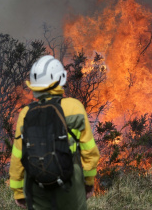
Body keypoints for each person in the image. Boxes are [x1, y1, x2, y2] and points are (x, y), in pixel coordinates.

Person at [9, 55, 100, 210]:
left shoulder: (25, 114)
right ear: (61, 80)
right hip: (70, 183)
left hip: (36, 184)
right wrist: (88, 182)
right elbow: (89, 152)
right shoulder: (75, 108)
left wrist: (18, 192)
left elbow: (18, 156)